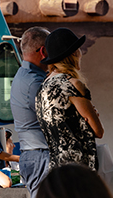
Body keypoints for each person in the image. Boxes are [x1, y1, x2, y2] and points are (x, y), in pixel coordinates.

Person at [35, 28, 103, 170]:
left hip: (55, 166)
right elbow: (98, 131)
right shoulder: (73, 85)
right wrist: (88, 120)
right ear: (73, 53)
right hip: (78, 167)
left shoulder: (43, 87)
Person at [9, 26, 51, 198]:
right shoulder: (34, 81)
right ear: (43, 51)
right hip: (41, 154)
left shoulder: (22, 75)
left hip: (32, 153)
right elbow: (52, 116)